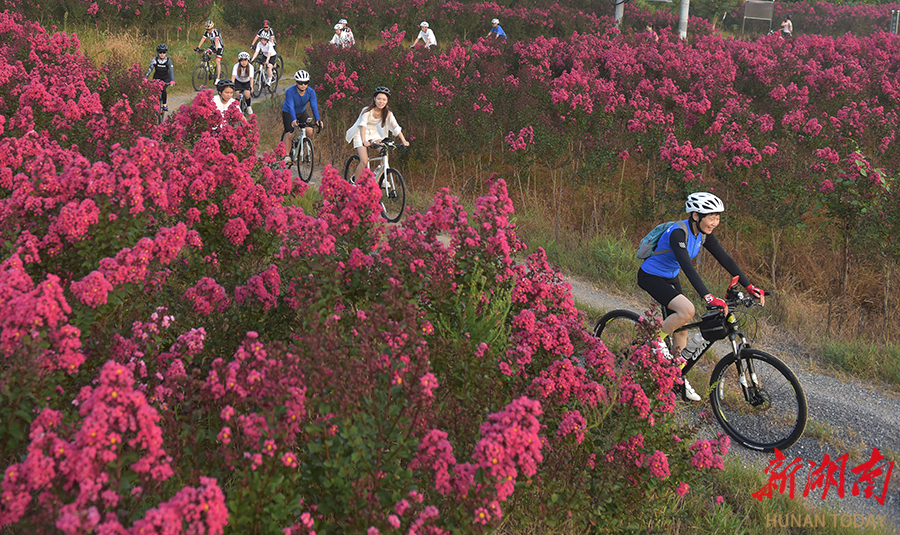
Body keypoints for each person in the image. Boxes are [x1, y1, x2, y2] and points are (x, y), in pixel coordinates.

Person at [637, 192, 766, 402]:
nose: (715, 222)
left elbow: (725, 259)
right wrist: (708, 297)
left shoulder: (703, 234)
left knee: (682, 331)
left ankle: (673, 375)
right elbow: (687, 267)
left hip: (669, 278)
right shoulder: (678, 233)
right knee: (687, 310)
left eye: (717, 217)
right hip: (651, 276)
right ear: (696, 215)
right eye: (711, 217)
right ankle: (651, 340)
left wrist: (749, 286)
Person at [345, 86, 410, 179]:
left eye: (384, 99)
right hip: (360, 133)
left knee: (385, 154)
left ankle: (378, 175)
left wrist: (404, 141)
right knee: (364, 161)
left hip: (373, 133)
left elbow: (396, 126)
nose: (381, 101)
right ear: (374, 99)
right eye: (379, 98)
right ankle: (356, 186)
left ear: (387, 101)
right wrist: (364, 141)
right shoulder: (367, 110)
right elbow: (362, 126)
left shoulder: (387, 112)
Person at [282, 70, 323, 162]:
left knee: (309, 131)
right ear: (296, 82)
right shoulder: (290, 92)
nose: (303, 85)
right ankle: (286, 155)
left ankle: (299, 140)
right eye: (301, 83)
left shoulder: (311, 92)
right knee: (290, 133)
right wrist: (293, 119)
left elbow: (314, 106)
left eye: (306, 83)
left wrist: (318, 119)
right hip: (288, 112)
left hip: (301, 112)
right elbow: (291, 107)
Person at [144, 44, 175, 111]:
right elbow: (150, 69)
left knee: (163, 89)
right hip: (157, 77)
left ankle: (164, 104)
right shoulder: (154, 60)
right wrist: (145, 77)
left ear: (166, 53)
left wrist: (172, 80)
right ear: (158, 52)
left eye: (164, 52)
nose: (162, 54)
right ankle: (152, 104)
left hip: (166, 78)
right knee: (154, 90)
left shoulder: (168, 61)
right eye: (160, 52)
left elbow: (171, 71)